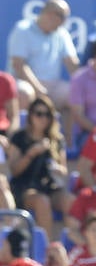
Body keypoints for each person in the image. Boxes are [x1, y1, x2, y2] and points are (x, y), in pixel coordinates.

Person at [6, 0, 79, 125]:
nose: (64, 22)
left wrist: (83, 82)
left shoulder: (62, 34)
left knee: (75, 94)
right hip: (25, 82)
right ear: (50, 14)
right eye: (63, 17)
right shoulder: (23, 30)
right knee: (24, 93)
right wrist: (38, 89)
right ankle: (20, 139)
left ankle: (67, 142)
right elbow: (19, 65)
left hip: (53, 85)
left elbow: (71, 63)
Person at [7, 97, 71, 239]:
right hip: (24, 187)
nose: (43, 118)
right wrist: (31, 153)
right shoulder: (19, 137)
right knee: (42, 201)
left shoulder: (56, 139)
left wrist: (58, 170)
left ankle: (73, 244)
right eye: (39, 114)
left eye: (47, 114)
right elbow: (14, 170)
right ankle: (46, 249)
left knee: (70, 200)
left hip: (49, 186)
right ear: (30, 115)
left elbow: (64, 169)